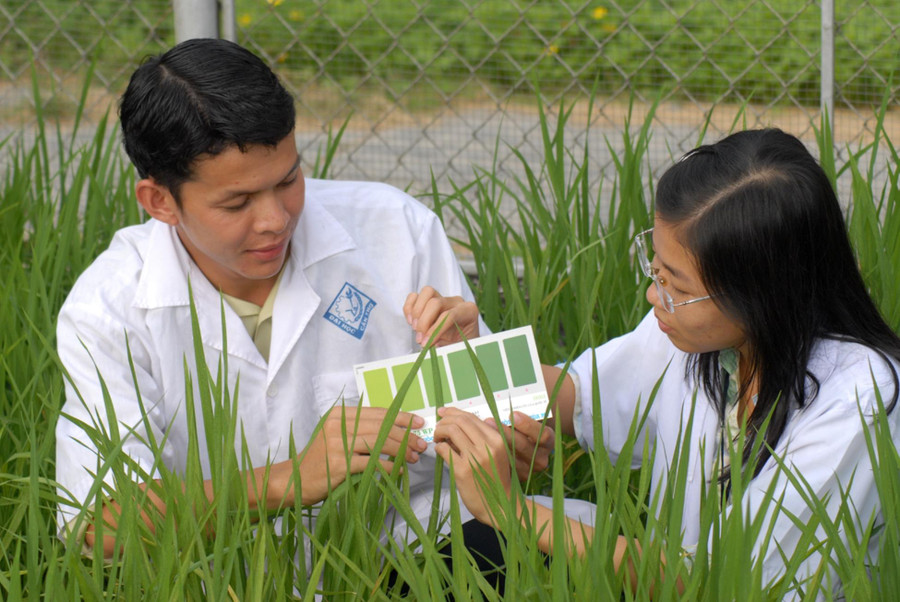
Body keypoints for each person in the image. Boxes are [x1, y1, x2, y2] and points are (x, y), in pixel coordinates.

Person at [54, 38, 487, 557]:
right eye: (236, 203)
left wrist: (490, 392)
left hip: (410, 552)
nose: (276, 220)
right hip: (217, 575)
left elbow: (502, 456)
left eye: (288, 180)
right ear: (160, 201)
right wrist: (289, 480)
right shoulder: (108, 309)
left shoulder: (397, 230)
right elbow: (102, 525)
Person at [428, 128, 900, 597]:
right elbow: (581, 396)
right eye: (656, 268)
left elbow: (722, 583)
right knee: (472, 548)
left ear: (764, 296)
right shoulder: (700, 338)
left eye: (679, 287)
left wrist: (511, 509)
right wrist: (473, 358)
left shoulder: (860, 398)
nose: (655, 296)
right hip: (669, 569)